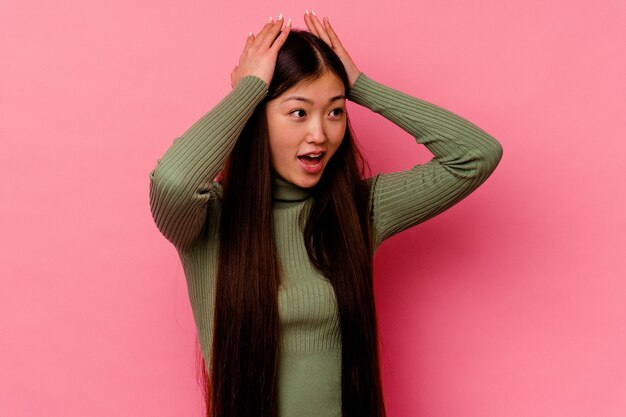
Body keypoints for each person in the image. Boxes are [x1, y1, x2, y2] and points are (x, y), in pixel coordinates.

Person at [149, 11, 503, 417]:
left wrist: (362, 87)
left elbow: (475, 155)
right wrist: (246, 93)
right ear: (256, 118)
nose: (320, 133)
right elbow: (172, 181)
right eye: (299, 112)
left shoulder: (359, 211)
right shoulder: (207, 222)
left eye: (335, 111)